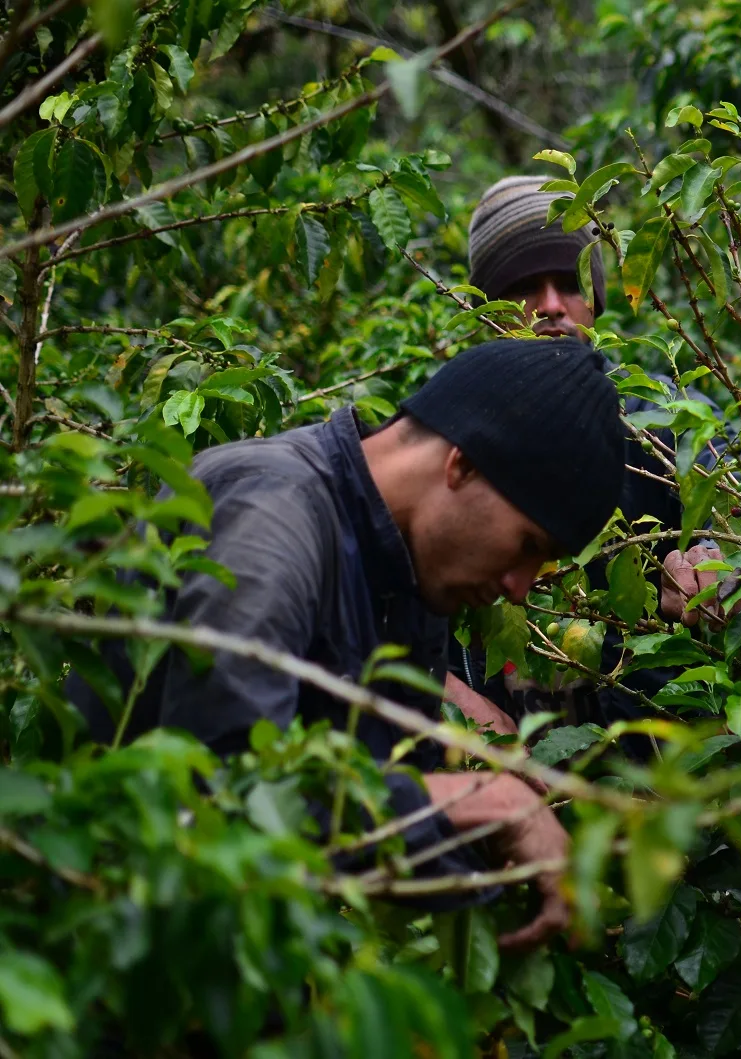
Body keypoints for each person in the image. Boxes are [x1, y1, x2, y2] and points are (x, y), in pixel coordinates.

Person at [68, 338, 625, 949]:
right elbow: (218, 803)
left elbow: (355, 833)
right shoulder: (271, 518)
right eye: (527, 545)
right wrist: (475, 800)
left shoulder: (407, 567)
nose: (520, 591)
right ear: (461, 465)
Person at [447, 176, 734, 735]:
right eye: (525, 286)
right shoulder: (451, 437)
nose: (552, 306)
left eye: (570, 283)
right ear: (487, 310)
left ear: (597, 299)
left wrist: (716, 562)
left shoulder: (665, 416)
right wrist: (449, 693)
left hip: (656, 763)